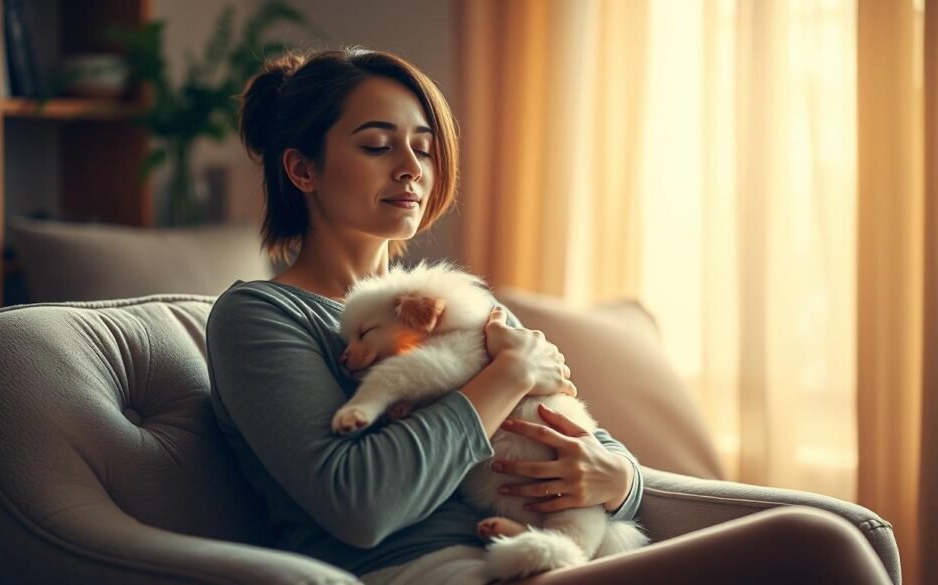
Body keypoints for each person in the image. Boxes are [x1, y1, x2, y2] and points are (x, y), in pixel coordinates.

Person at [206, 48, 892, 585]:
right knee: (816, 543)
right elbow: (357, 505)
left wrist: (614, 480)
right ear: (302, 169)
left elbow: (580, 428)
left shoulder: (453, 301)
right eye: (378, 145)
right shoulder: (260, 316)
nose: (413, 167)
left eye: (424, 144)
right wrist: (502, 376)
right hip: (428, 569)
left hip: (546, 553)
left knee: (829, 541)